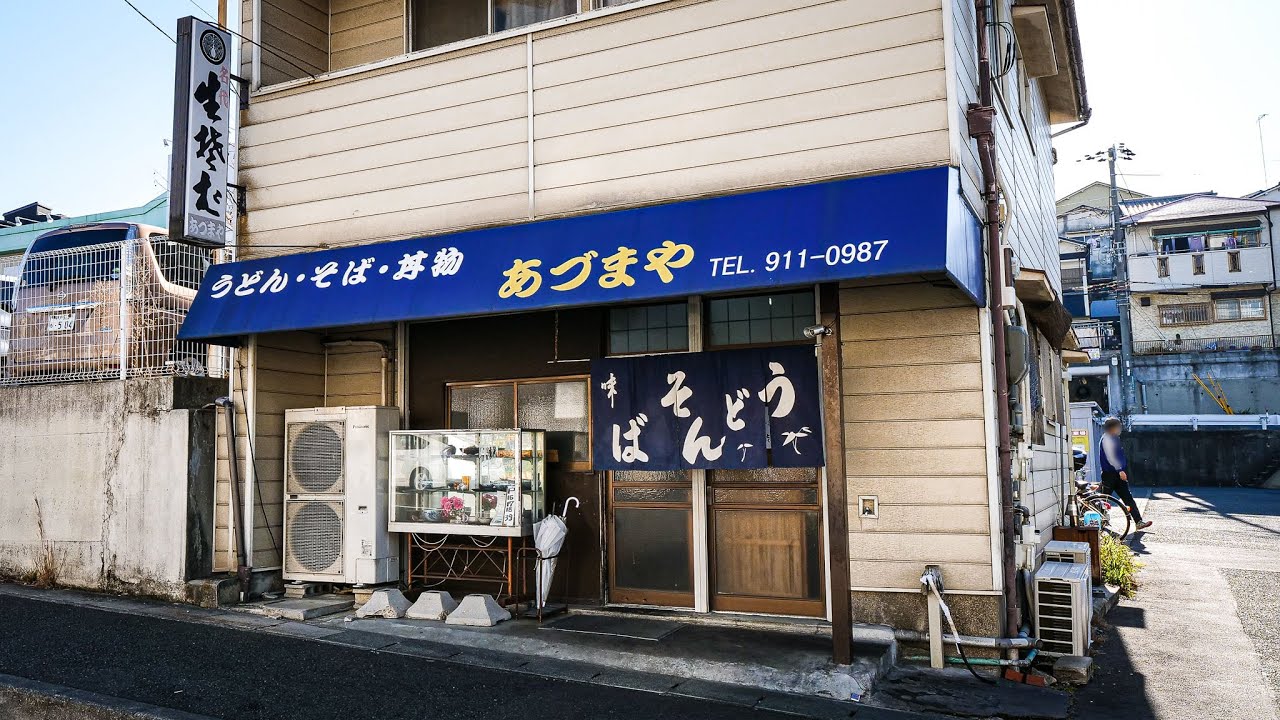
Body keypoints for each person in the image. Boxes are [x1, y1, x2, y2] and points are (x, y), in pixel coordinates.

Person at [1099, 417, 1152, 530]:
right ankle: (1098, 524)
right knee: (1104, 500)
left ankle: (1139, 522)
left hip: (1116, 474)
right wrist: (1120, 470)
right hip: (1110, 474)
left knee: (1128, 498)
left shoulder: (1114, 438)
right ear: (1112, 428)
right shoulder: (1107, 439)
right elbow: (1111, 457)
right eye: (1118, 426)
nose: (1120, 429)